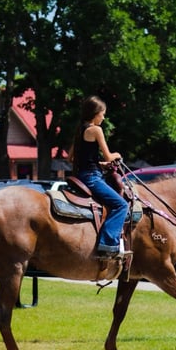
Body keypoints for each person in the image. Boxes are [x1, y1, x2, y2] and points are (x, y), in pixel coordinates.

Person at [71, 95, 130, 258]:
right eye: (102, 114)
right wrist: (117, 155)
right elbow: (109, 156)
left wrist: (100, 164)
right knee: (121, 205)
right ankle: (108, 243)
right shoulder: (96, 130)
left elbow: (71, 158)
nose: (103, 117)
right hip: (92, 178)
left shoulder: (79, 130)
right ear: (95, 113)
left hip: (80, 176)